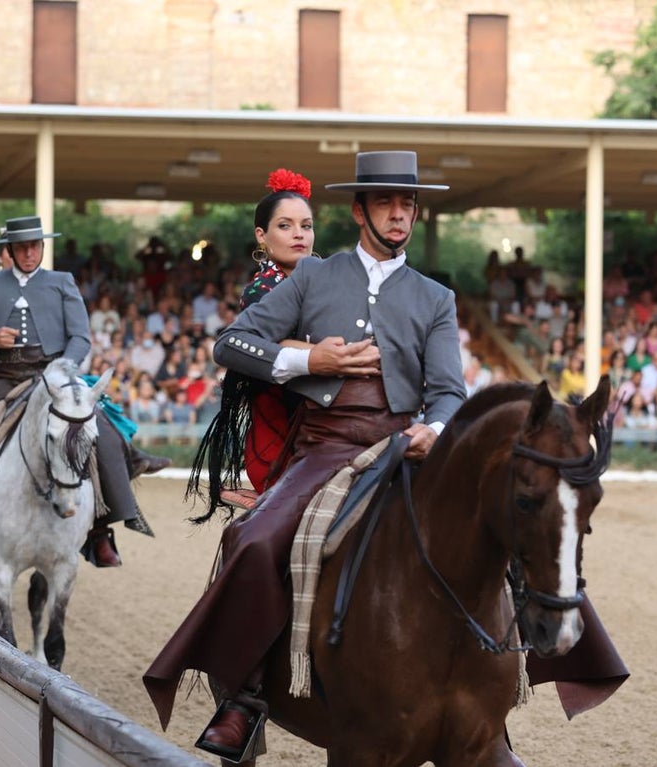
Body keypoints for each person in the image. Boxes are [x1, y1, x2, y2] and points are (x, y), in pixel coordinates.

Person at [144, 151, 467, 759]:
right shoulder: (314, 276)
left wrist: (437, 428)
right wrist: (310, 360)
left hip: (404, 446)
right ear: (359, 210)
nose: (399, 215)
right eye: (386, 204)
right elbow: (231, 343)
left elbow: (449, 390)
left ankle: (499, 682)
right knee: (254, 540)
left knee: (508, 527)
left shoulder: (434, 297)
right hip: (326, 445)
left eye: (408, 205)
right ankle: (245, 697)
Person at [0, 215, 168, 567]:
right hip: (5, 378)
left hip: (54, 374)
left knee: (103, 433)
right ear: (8, 249)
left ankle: (101, 530)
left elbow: (81, 338)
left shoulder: (62, 281)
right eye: (21, 247)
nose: (28, 253)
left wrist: (61, 370)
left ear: (42, 247)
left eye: (35, 246)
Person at [188, 168, 316, 513]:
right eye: (285, 226)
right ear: (262, 235)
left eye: (306, 225)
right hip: (280, 419)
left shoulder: (328, 279)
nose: (299, 235)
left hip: (328, 413)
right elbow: (280, 351)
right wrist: (327, 354)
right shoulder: (262, 289)